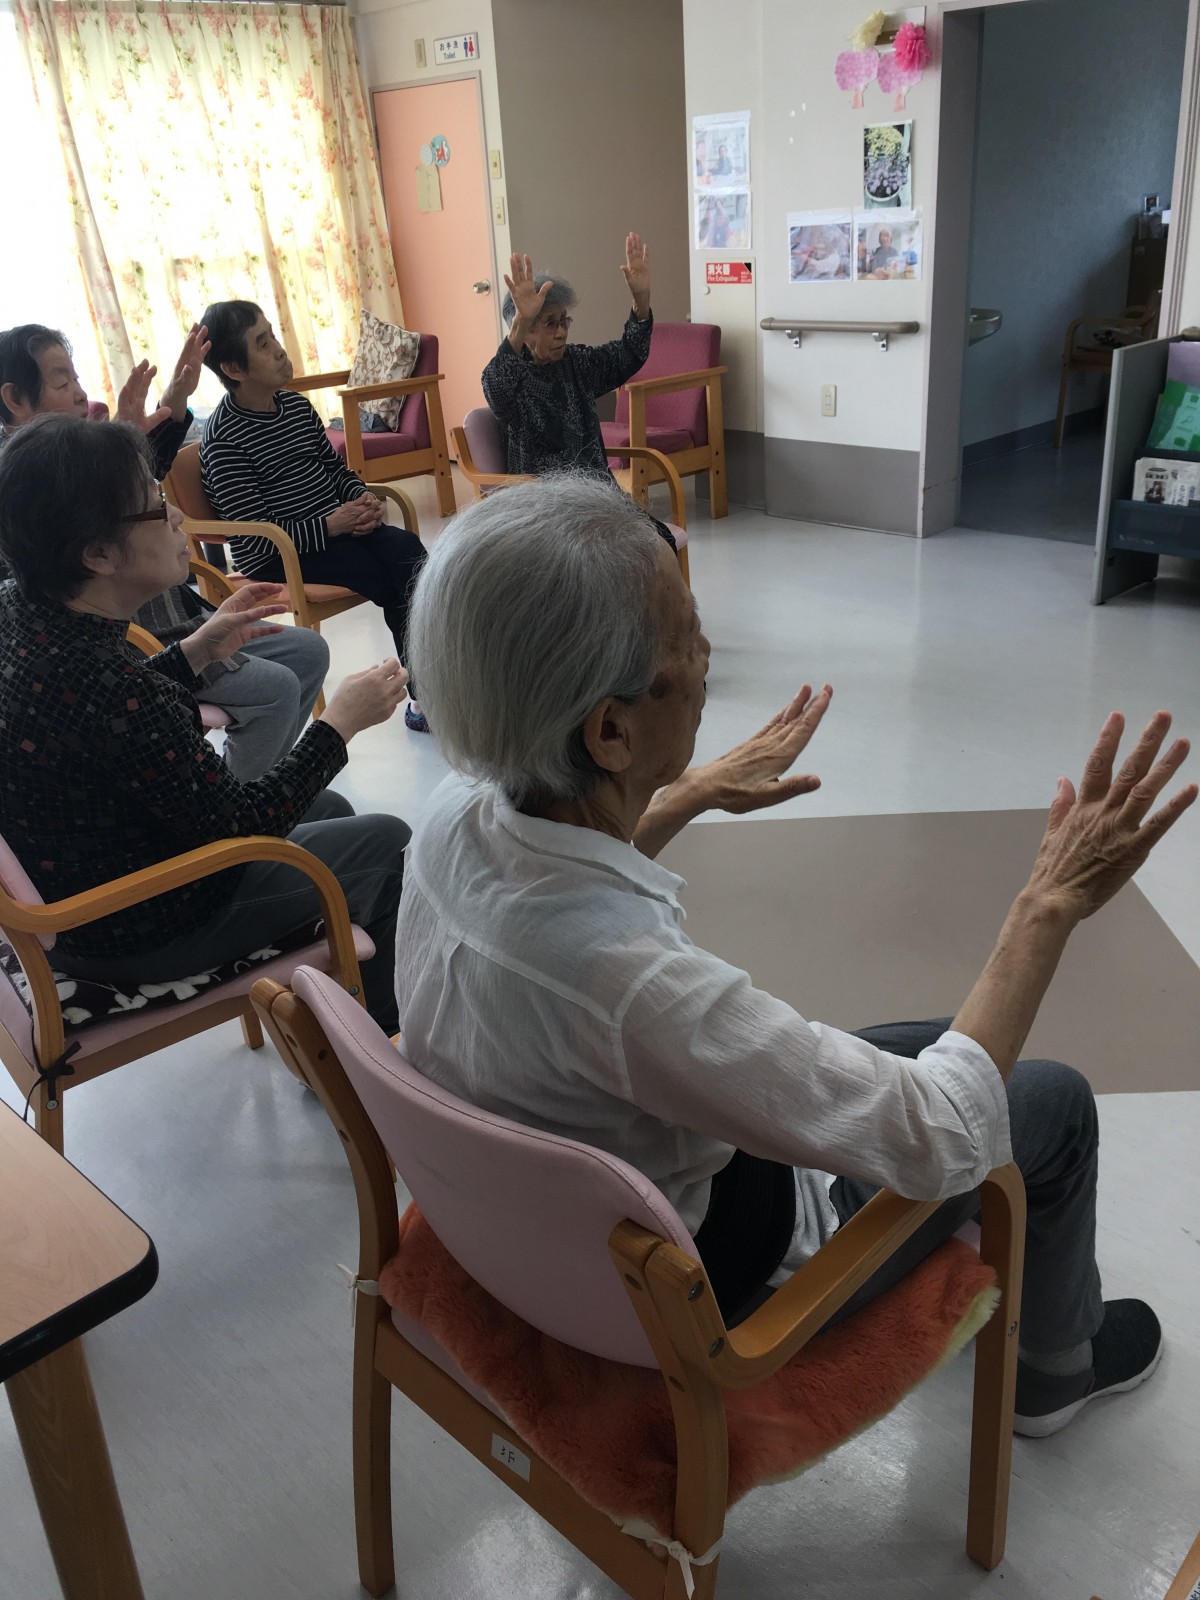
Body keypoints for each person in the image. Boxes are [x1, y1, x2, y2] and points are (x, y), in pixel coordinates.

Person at [399, 474, 1196, 1438]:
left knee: (935, 1039)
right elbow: (943, 1134)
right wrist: (1049, 904)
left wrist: (684, 792)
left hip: (544, 1226)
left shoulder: (451, 817)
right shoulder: (633, 985)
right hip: (728, 1281)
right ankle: (1058, 1373)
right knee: (1050, 1101)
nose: (705, 655)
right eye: (688, 637)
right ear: (609, 730)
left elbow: (547, 905)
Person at [0, 415, 412, 1033]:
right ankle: (373, 1049)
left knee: (329, 810)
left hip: (82, 887)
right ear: (98, 553)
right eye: (155, 503)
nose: (175, 516)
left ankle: (326, 1017)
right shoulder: (114, 685)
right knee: (388, 842)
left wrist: (193, 651)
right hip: (138, 924)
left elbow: (94, 718)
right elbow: (243, 824)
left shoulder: (19, 611)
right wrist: (339, 726)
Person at [0, 322, 330, 779]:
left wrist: (165, 409)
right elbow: (116, 527)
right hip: (135, 645)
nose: (79, 394)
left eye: (76, 377)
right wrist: (342, 727)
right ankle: (247, 804)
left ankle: (256, 785)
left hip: (175, 621)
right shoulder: (23, 493)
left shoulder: (72, 458)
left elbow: (137, 498)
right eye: (62, 382)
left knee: (307, 651)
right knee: (277, 688)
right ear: (15, 398)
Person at [197, 300, 428, 731]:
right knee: (390, 577)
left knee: (411, 554)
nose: (279, 349)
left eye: (273, 335)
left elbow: (334, 470)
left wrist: (361, 498)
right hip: (281, 554)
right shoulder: (224, 439)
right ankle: (427, 696)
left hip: (334, 530)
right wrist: (331, 525)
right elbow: (255, 538)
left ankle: (431, 686)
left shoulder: (297, 407)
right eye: (262, 343)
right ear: (233, 368)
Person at [483, 233, 653, 478]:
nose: (562, 332)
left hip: (595, 491)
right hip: (540, 496)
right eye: (551, 324)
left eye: (564, 321)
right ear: (526, 330)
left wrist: (641, 301)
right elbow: (496, 391)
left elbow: (629, 355)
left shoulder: (575, 362)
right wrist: (521, 322)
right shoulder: (511, 375)